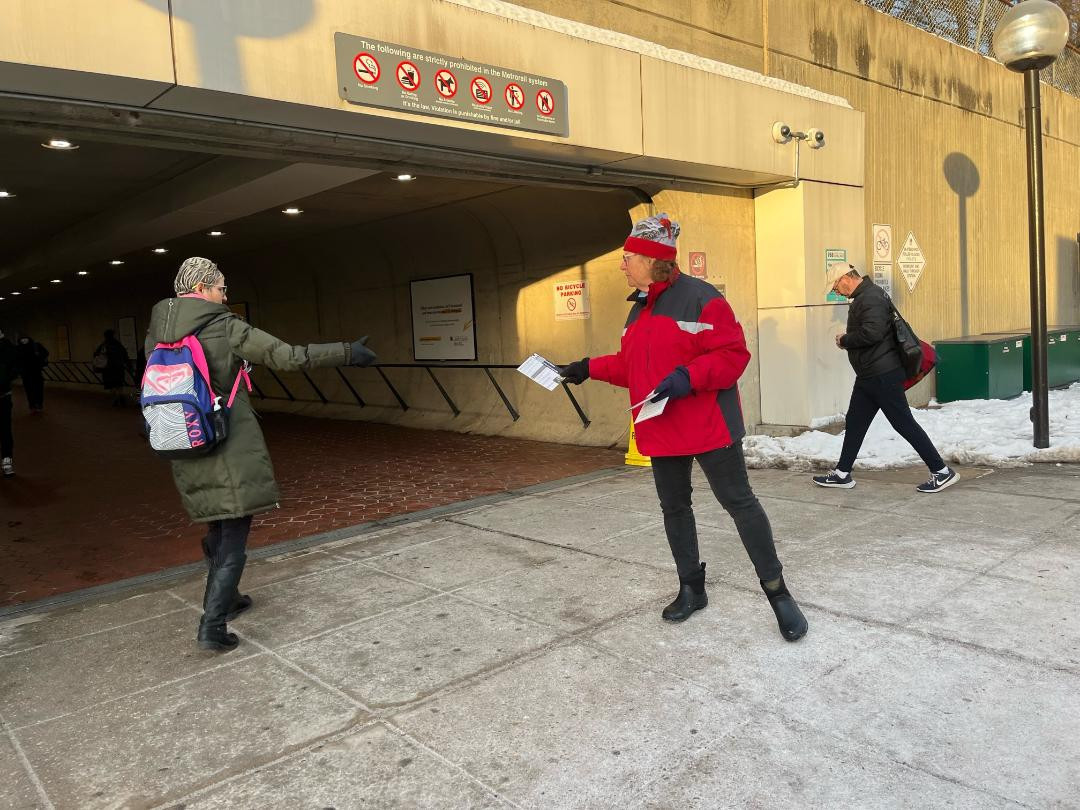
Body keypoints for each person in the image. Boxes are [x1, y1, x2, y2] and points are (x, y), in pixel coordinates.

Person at [559, 214, 807, 641]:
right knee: (674, 508)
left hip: (709, 424)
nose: (622, 264)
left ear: (653, 260)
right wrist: (586, 368)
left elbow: (733, 356)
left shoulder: (703, 299)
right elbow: (631, 365)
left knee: (739, 503)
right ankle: (691, 589)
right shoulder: (638, 309)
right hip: (662, 427)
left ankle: (778, 592)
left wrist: (688, 377)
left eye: (628, 257)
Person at [146, 257, 378, 653]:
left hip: (185, 438)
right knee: (234, 529)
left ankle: (229, 598)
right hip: (227, 441)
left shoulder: (157, 334)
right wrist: (347, 352)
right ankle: (212, 625)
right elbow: (288, 356)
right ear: (202, 288)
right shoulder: (224, 325)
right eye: (221, 288)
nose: (225, 295)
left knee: (218, 524)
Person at [813, 263, 958, 493]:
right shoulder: (866, 296)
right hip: (869, 375)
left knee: (903, 423)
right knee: (856, 423)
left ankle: (941, 471)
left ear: (846, 278)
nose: (837, 292)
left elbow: (873, 332)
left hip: (883, 375)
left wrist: (845, 340)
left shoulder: (870, 297)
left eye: (836, 287)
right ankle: (842, 473)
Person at [95, 329, 130, 406]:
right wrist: (128, 365)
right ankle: (120, 398)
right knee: (119, 384)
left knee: (111, 385)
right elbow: (124, 355)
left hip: (108, 369)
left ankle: (115, 400)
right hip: (119, 367)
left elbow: (96, 354)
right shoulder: (118, 344)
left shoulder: (104, 345)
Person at [0, 329, 18, 478]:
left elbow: (15, 365)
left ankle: (7, 462)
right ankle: (7, 463)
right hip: (4, 394)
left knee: (5, 431)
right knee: (5, 431)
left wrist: (6, 379)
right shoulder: (8, 347)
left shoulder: (6, 347)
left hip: (3, 395)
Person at [15, 334, 48, 413]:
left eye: (25, 338)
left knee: (38, 389)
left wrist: (39, 358)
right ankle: (32, 405)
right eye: (22, 339)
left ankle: (39, 404)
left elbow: (45, 353)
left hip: (36, 372)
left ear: (29, 338)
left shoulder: (35, 346)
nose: (24, 340)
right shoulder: (18, 348)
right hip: (26, 374)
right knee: (29, 390)